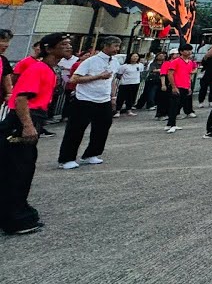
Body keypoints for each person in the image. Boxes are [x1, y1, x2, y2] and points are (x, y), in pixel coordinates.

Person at [1, 33, 72, 235]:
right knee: (17, 170)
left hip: (34, 117)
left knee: (21, 169)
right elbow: (22, 98)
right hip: (23, 119)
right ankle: (15, 219)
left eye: (69, 44)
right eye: (63, 44)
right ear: (49, 49)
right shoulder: (37, 68)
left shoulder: (49, 69)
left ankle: (17, 211)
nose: (68, 47)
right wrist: (28, 125)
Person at [58, 36, 121, 169]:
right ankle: (67, 158)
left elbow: (113, 80)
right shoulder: (91, 61)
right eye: (115, 46)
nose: (117, 49)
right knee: (76, 129)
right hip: (84, 99)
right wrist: (98, 76)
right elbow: (74, 79)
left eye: (118, 46)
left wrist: (113, 97)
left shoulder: (115, 62)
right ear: (106, 46)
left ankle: (92, 153)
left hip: (103, 99)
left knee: (102, 128)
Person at [165, 44, 198, 133]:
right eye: (186, 50)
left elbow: (189, 75)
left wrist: (189, 87)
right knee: (174, 105)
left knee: (179, 105)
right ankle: (172, 124)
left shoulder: (190, 62)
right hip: (177, 86)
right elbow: (170, 74)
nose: (189, 52)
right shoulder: (176, 61)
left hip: (185, 86)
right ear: (181, 52)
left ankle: (170, 123)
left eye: (190, 50)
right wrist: (173, 86)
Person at [113, 53, 143, 117]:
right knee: (121, 97)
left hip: (135, 83)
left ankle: (129, 110)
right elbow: (119, 75)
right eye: (133, 56)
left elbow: (140, 73)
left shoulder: (140, 65)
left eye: (136, 56)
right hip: (125, 84)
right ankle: (118, 110)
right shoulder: (124, 66)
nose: (135, 58)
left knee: (131, 97)